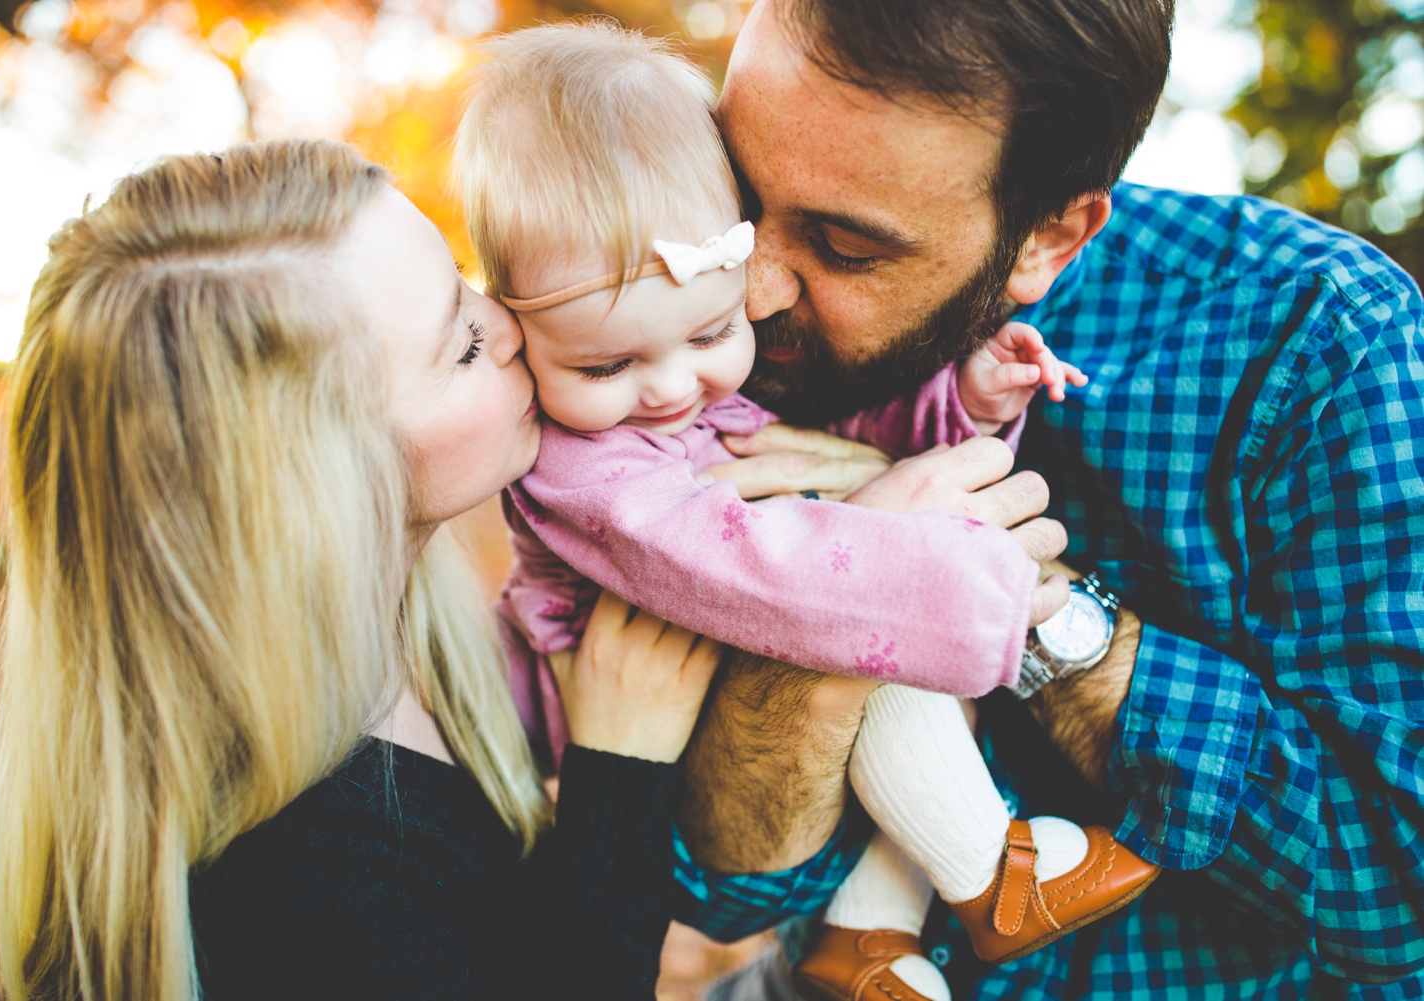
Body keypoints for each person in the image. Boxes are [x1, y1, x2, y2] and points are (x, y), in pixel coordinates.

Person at [673, 0, 1424, 999]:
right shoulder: (679, 322)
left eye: (847, 246)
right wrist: (847, 593)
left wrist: (1016, 596)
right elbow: (723, 886)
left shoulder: (1320, 340)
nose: (753, 291)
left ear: (1051, 235)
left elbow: (1396, 892)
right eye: (738, 198)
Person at [451, 22, 1155, 1001]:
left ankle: (866, 937)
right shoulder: (580, 469)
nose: (669, 390)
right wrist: (939, 565)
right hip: (604, 686)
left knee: (876, 648)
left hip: (720, 649)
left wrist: (964, 404)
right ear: (516, 323)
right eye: (606, 365)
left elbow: (843, 434)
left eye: (710, 331)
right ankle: (988, 866)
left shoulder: (684, 371)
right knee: (879, 641)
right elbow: (741, 563)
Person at [0, 138, 724, 1001]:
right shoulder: (306, 889)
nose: (510, 324)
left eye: (465, 278)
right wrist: (617, 773)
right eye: (462, 348)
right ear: (317, 490)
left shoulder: (396, 656)